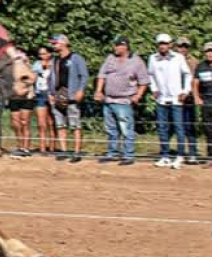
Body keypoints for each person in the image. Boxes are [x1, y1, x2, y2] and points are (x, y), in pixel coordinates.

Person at [94, 36, 149, 166]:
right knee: (111, 129)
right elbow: (102, 75)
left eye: (118, 45)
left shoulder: (136, 61)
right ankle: (112, 153)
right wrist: (98, 91)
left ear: (125, 46)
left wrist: (138, 95)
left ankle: (128, 155)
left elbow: (144, 81)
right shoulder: (110, 58)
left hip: (124, 101)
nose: (115, 48)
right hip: (109, 100)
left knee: (126, 129)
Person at [147, 33, 191, 169]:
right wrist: (154, 88)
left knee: (179, 128)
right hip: (161, 99)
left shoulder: (178, 58)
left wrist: (185, 91)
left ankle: (179, 156)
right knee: (162, 128)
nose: (163, 46)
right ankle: (165, 156)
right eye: (160, 43)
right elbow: (150, 75)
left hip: (176, 98)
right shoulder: (153, 59)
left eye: (165, 43)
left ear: (170, 44)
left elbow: (187, 74)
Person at [49, 34, 88, 162]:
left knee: (75, 125)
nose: (53, 45)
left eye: (55, 43)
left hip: (71, 96)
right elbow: (51, 78)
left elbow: (84, 75)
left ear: (64, 43)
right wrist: (50, 93)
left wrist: (81, 90)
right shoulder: (54, 60)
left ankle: (77, 152)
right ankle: (64, 150)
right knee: (60, 125)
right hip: (57, 97)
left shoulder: (76, 58)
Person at [8, 48, 36, 158]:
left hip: (27, 97)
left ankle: (26, 148)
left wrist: (24, 88)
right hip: (14, 97)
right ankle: (19, 146)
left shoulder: (27, 66)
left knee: (25, 122)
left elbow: (32, 79)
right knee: (16, 123)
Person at [175, 36, 200, 164]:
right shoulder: (171, 60)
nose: (183, 49)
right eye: (180, 46)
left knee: (189, 126)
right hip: (174, 98)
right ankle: (175, 153)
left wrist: (190, 93)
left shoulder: (194, 61)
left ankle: (192, 152)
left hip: (188, 98)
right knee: (174, 127)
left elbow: (195, 80)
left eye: (185, 46)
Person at [32, 46, 55, 156]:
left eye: (44, 53)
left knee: (51, 122)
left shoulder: (55, 63)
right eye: (40, 54)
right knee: (42, 123)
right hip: (40, 93)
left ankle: (52, 147)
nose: (42, 56)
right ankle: (42, 148)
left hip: (52, 94)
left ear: (50, 53)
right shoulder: (36, 64)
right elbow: (34, 78)